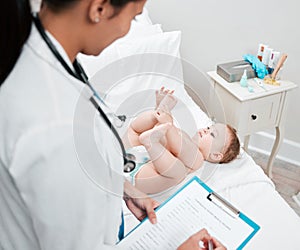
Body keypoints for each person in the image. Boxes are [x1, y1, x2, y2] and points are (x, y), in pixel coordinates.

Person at [0, 0, 226, 249]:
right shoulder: (55, 125)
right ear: (99, 8)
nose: (127, 29)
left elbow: (76, 165)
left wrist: (121, 186)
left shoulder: (39, 52)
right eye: (133, 17)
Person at [124, 87, 240, 194]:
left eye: (212, 134)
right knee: (135, 130)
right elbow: (163, 134)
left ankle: (152, 141)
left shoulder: (197, 158)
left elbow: (179, 148)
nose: (206, 130)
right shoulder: (181, 134)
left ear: (215, 155)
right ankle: (157, 113)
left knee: (178, 172)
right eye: (209, 127)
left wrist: (168, 123)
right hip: (129, 151)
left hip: (140, 174)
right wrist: (160, 116)